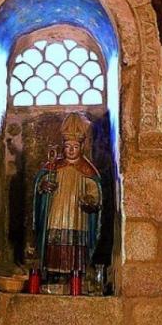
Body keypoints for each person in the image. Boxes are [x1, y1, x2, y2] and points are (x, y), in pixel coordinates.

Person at [33, 112, 102, 295]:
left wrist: (91, 201)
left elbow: (95, 192)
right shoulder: (53, 166)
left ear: (82, 146)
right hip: (55, 214)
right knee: (53, 244)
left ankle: (75, 278)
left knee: (74, 249)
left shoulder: (88, 170)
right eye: (67, 146)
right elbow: (39, 185)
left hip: (77, 217)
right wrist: (43, 186)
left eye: (75, 146)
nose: (71, 150)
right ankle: (53, 277)